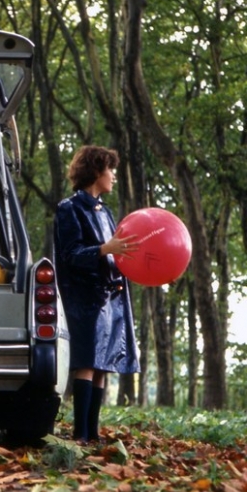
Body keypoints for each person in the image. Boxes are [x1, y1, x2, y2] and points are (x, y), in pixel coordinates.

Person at [53, 145, 140, 443]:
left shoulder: (107, 211)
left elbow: (118, 252)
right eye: (110, 169)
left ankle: (93, 433)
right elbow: (70, 254)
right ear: (95, 171)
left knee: (103, 364)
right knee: (88, 362)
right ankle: (80, 434)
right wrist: (105, 250)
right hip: (84, 294)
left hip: (111, 294)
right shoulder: (69, 208)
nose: (114, 176)